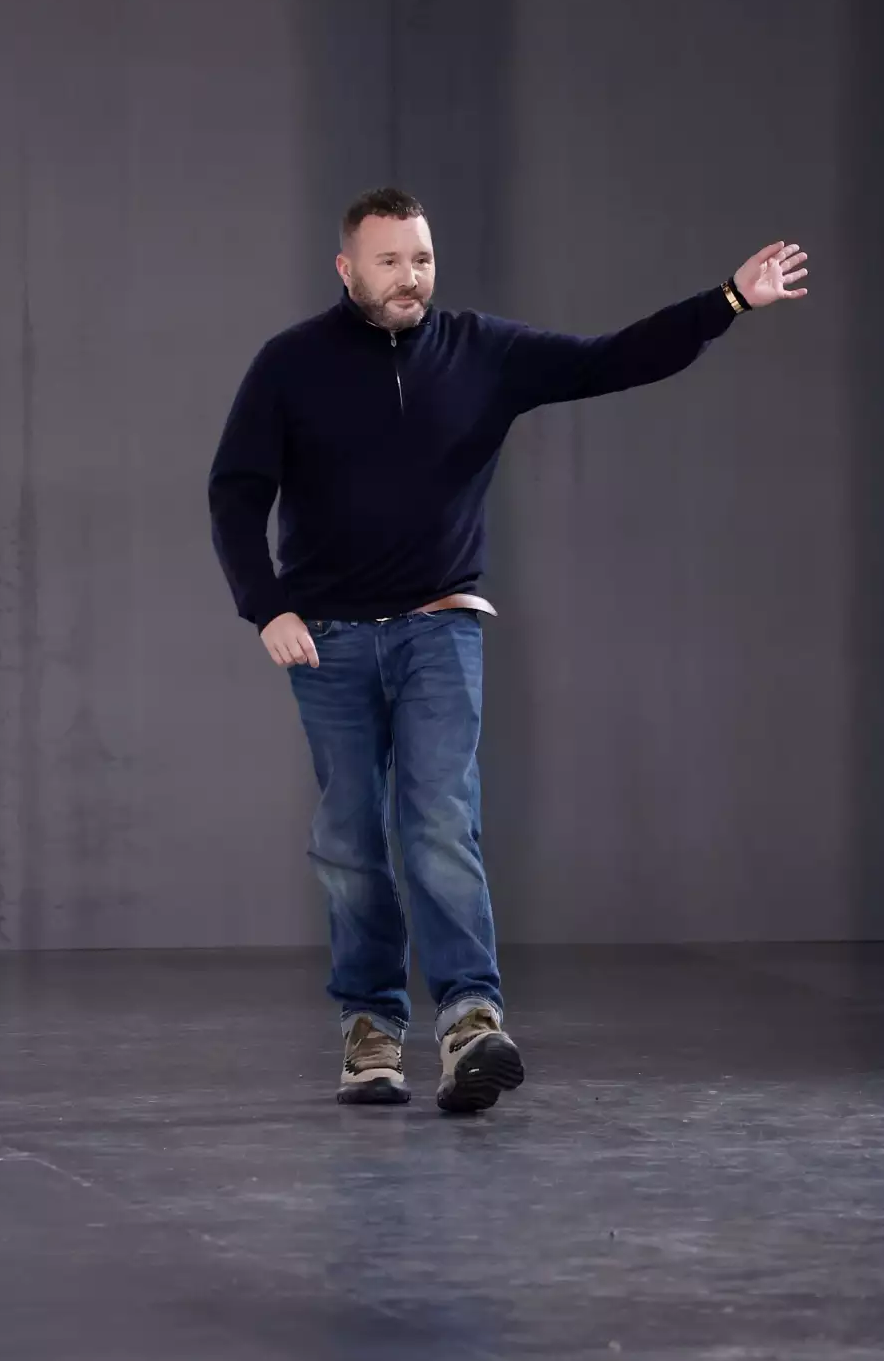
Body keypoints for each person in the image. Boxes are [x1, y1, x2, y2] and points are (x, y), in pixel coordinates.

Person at [208, 188, 808, 1113]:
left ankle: (469, 1024)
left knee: (440, 821)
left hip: (440, 623)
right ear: (346, 268)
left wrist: (728, 300)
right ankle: (370, 1027)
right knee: (349, 839)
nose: (409, 278)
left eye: (421, 259)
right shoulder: (290, 363)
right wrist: (266, 607)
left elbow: (612, 359)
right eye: (389, 261)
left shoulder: (480, 350)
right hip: (327, 640)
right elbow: (236, 491)